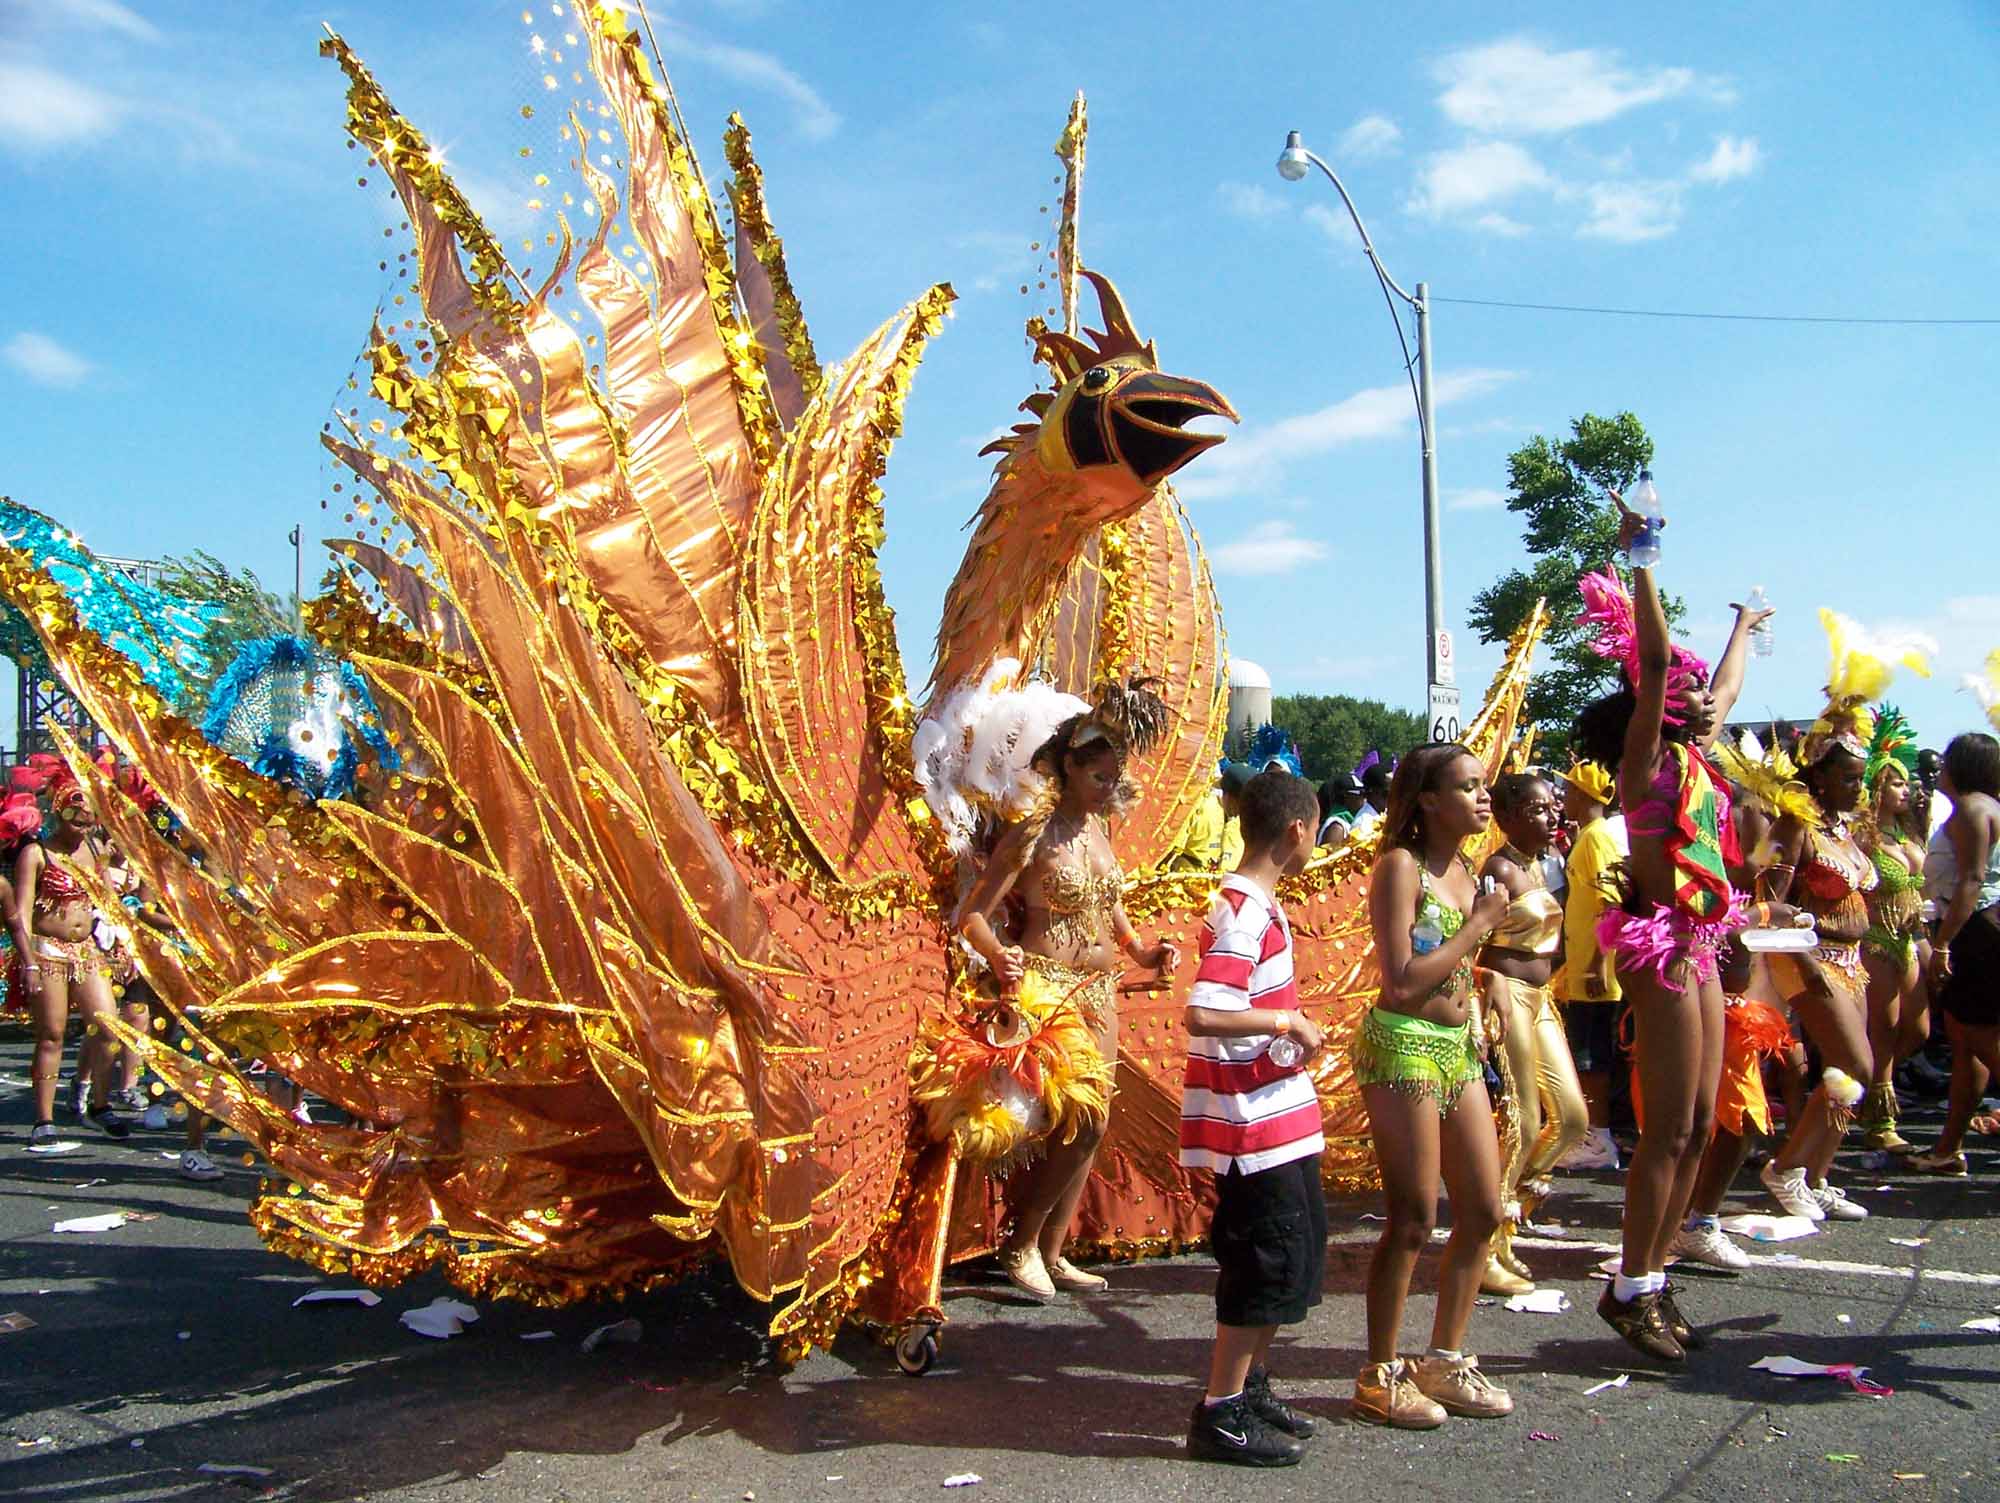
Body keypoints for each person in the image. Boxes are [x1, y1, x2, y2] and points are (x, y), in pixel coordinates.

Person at [1569, 506, 1770, 1363]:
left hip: (1704, 944)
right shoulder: (1645, 765)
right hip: (1660, 949)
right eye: (1676, 685)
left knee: (1694, 1124)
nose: (1695, 689)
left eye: (1694, 685)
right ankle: (1632, 1284)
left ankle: (1649, 1276)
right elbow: (1654, 662)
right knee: (1665, 1133)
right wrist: (1641, 558)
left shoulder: (1698, 755)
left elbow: (1722, 689)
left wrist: (1742, 628)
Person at [957, 681, 1183, 1299]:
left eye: (1116, 777)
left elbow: (1115, 919)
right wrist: (999, 954)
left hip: (1099, 991)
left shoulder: (1099, 837)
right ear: (1068, 769)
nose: (1110, 788)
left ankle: (1051, 1252)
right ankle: (1019, 1243)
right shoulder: (1033, 833)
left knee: (1094, 1122)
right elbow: (972, 915)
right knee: (1078, 1120)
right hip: (1047, 989)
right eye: (1100, 777)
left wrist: (1146, 951)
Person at [1350, 742, 1512, 1429]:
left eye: (1484, 785)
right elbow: (1403, 980)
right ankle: (1380, 1374)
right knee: (1414, 1216)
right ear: (1426, 800)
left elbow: (1453, 975)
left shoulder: (1467, 868)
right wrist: (1478, 927)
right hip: (1403, 1047)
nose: (1483, 797)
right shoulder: (1400, 866)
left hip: (1457, 1047)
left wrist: (1487, 996)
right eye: (1469, 786)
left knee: (1483, 1210)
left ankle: (1444, 1358)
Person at [1753, 614, 1929, 1224]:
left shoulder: (1846, 830)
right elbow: (1764, 907)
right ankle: (1785, 1168)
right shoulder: (1793, 826)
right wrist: (1805, 958)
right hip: (1810, 961)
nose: (1861, 789)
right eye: (1850, 779)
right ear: (1820, 776)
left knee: (1847, 1069)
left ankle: (1818, 1174)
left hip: (1852, 962)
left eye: (1862, 779)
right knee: (1852, 1065)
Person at [1181, 769, 1326, 1467]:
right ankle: (1220, 1408)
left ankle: (1251, 1386)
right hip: (1252, 1130)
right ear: (1296, 830)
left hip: (1282, 1123)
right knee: (1260, 1261)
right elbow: (1204, 1009)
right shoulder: (1241, 909)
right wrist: (1285, 1018)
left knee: (1287, 1261)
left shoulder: (1262, 906)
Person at [1476, 771, 1587, 1294]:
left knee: (1570, 1118)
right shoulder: (1497, 869)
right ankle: (1488, 1247)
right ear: (1509, 816)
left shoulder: (1541, 865)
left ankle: (1511, 1205)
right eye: (1540, 810)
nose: (1553, 817)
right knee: (1522, 1119)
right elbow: (1473, 942)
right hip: (1509, 999)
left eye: (1553, 808)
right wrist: (1482, 1012)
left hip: (1542, 1002)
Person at [12, 758, 132, 1149]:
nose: (81, 825)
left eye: (88, 819)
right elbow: (22, 914)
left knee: (108, 1024)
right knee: (52, 1033)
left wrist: (122, 944)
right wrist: (28, 960)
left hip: (87, 950)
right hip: (47, 951)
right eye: (73, 817)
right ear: (58, 814)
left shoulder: (95, 850)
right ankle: (44, 1119)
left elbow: (109, 902)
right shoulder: (36, 854)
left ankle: (99, 1105)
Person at [1910, 732, 2000, 1175]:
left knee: (1979, 1033)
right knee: (1964, 1040)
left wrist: (1943, 942)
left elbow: (1971, 880)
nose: (1938, 767)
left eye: (1946, 759)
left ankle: (1948, 1147)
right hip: (1981, 929)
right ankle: (1948, 1149)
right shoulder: (1987, 806)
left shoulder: (1972, 808)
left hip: (1977, 931)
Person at [1856, 714, 1931, 1154]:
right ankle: (1880, 1120)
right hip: (1876, 942)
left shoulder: (1908, 834)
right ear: (1877, 789)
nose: (1908, 791)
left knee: (1918, 1032)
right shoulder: (1864, 838)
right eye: (1898, 784)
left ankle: (1865, 1090)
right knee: (1881, 1034)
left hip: (1910, 941)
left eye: (1907, 784)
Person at [1554, 761, 1623, 1171]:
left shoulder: (1596, 839)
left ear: (1585, 796)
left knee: (1591, 1057)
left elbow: (1611, 902)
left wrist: (1598, 963)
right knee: (1588, 1054)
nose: (1565, 797)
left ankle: (1598, 1140)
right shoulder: (1592, 835)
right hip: (1584, 967)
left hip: (1595, 973)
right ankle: (1595, 1135)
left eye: (1570, 790)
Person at [1317, 771, 1367, 849]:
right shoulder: (1337, 827)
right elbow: (1329, 860)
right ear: (1346, 795)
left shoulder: (1347, 822)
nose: (1365, 799)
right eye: (1361, 793)